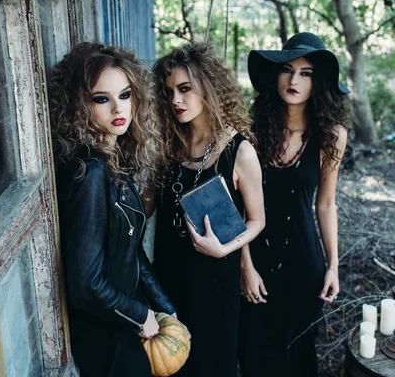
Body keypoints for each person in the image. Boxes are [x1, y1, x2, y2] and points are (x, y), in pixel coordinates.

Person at [50, 43, 177, 377]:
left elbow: (131, 252)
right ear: (79, 105)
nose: (118, 108)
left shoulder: (114, 159)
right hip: (104, 333)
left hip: (121, 319)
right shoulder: (89, 173)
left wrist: (166, 311)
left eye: (125, 95)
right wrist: (138, 314)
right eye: (101, 99)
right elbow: (85, 284)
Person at [150, 43, 265, 377]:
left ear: (209, 88)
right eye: (169, 91)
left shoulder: (239, 152)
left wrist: (226, 250)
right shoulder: (169, 146)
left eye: (185, 89)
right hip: (168, 275)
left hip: (213, 281)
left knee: (211, 365)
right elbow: (148, 207)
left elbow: (257, 220)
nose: (175, 100)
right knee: (171, 365)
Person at [239, 32, 349, 376]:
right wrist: (244, 265)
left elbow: (326, 204)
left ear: (319, 82)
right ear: (276, 76)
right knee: (255, 352)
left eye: (306, 73)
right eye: (288, 70)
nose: (295, 80)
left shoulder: (332, 136)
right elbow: (238, 204)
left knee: (297, 356)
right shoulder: (251, 130)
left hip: (304, 265)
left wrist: (332, 265)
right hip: (255, 259)